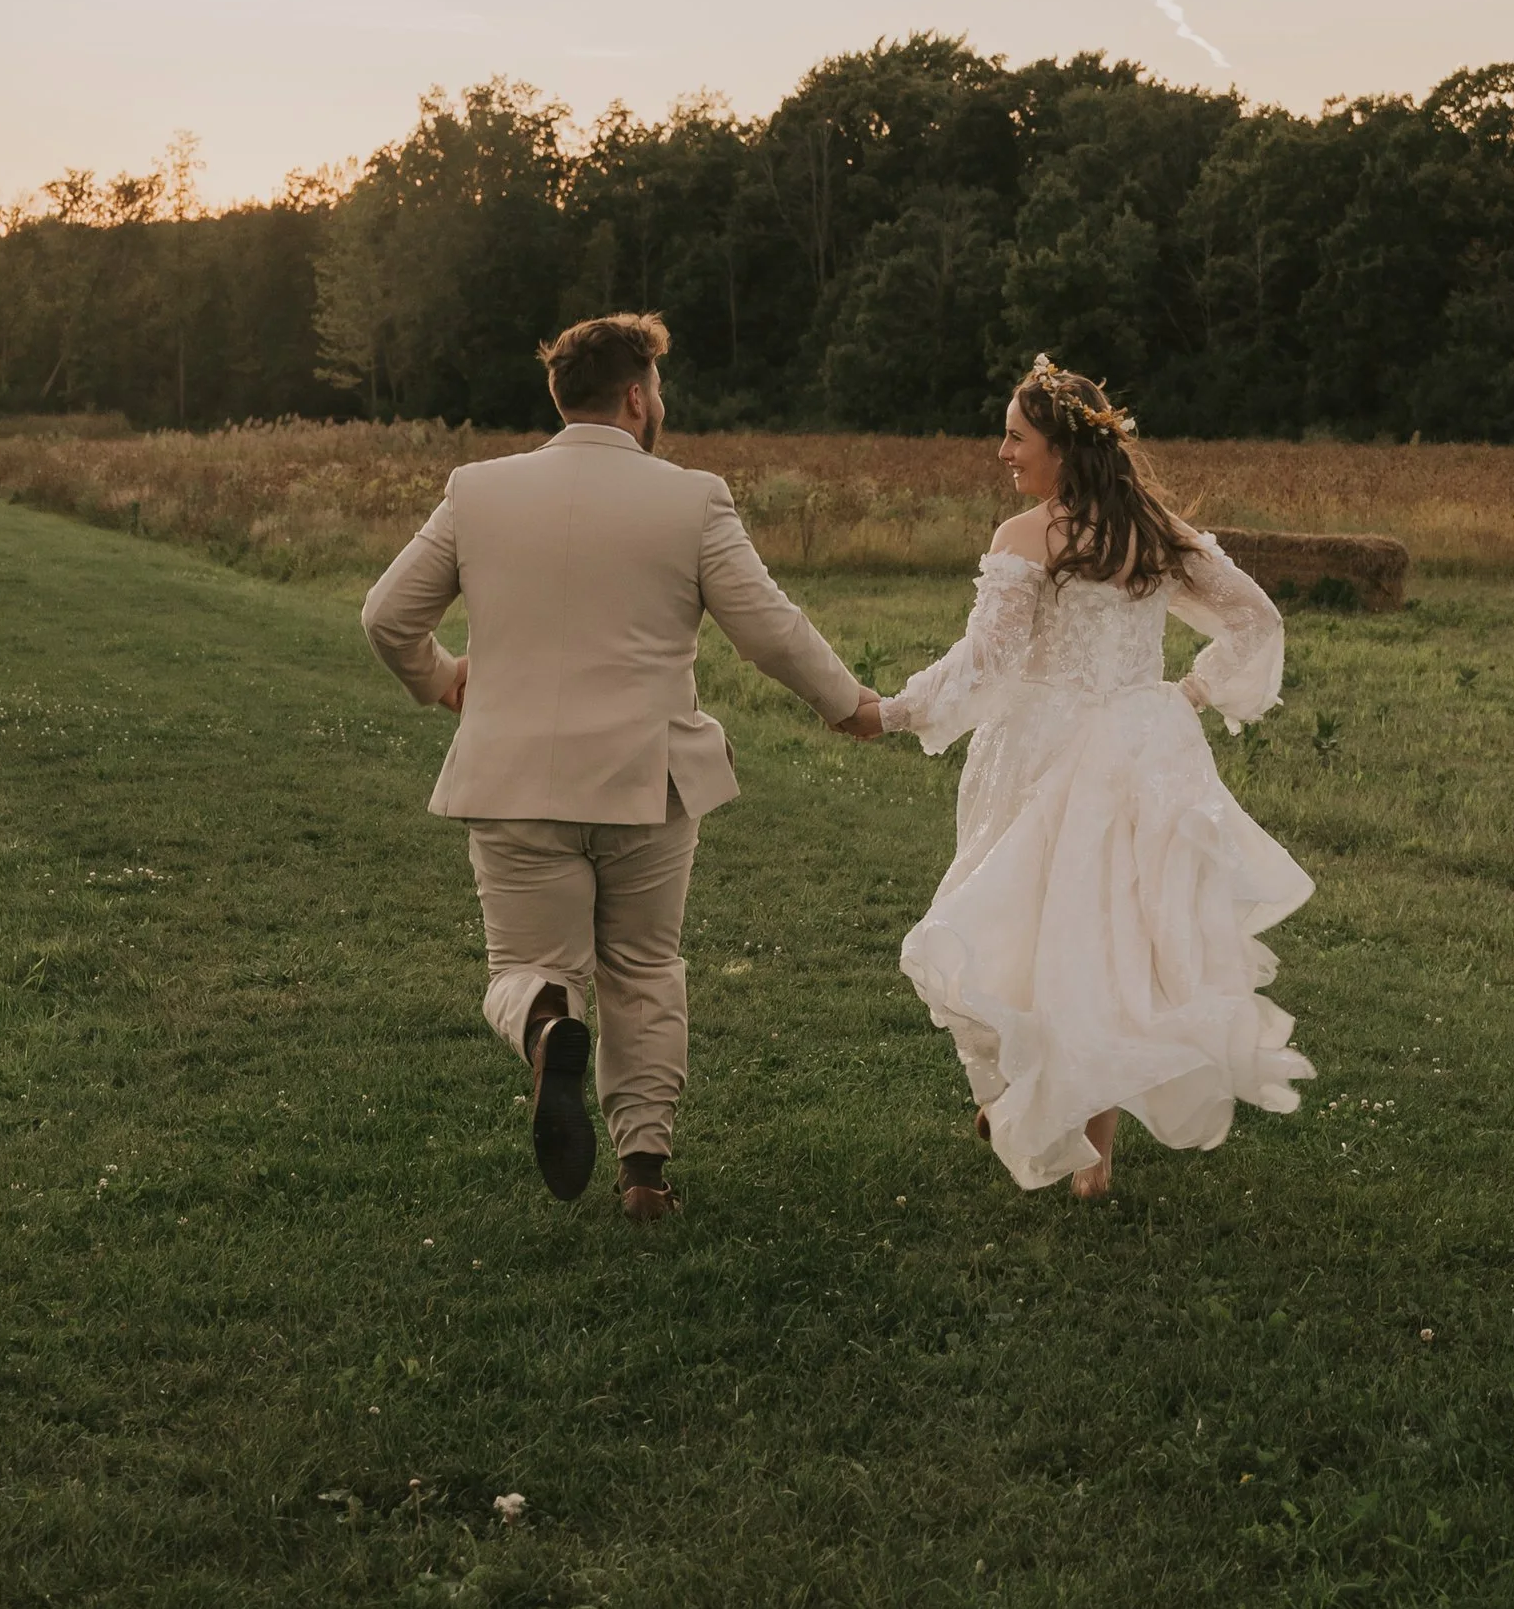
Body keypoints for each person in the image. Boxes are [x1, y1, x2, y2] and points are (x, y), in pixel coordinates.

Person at [360, 312, 882, 1220]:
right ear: (638, 396)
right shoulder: (691, 498)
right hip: (647, 785)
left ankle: (545, 1026)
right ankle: (644, 1176)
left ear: (560, 396)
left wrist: (443, 680)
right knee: (644, 970)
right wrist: (851, 705)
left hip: (513, 779)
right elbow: (769, 629)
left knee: (525, 966)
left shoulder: (477, 491)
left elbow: (385, 616)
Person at [881, 355, 1312, 1200]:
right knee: (1102, 949)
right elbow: (1256, 620)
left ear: (1062, 449)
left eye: (1015, 436)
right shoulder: (1156, 531)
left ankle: (1027, 1106)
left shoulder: (1029, 536)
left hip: (1047, 757)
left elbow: (986, 662)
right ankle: (1090, 1164)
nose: (1003, 451)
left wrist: (892, 711)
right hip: (1144, 756)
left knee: (1020, 933)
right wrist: (1187, 695)